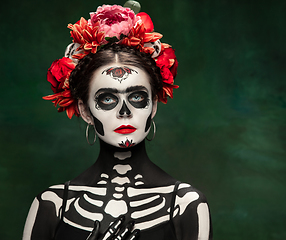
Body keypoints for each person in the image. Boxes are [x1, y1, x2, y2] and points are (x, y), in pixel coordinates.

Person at [22, 2, 212, 240]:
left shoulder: (186, 205)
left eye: (136, 97)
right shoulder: (52, 205)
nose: (124, 111)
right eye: (108, 99)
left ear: (153, 105)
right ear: (85, 110)